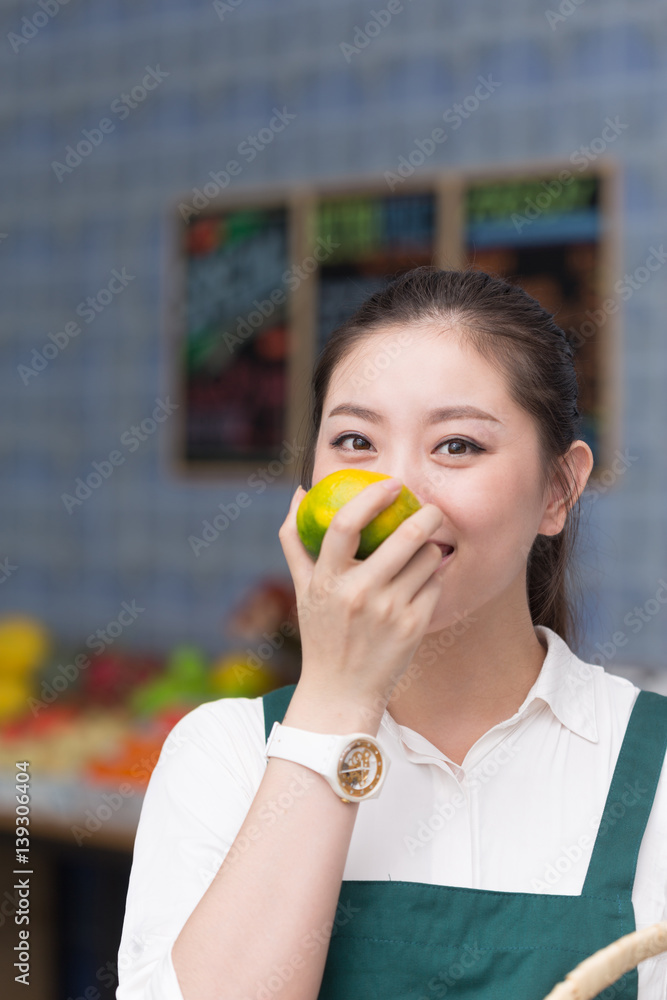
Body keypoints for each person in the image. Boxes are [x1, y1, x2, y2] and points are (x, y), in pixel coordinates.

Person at [116, 266, 667, 1000]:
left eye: (456, 446)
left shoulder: (654, 774)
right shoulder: (224, 757)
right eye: (353, 440)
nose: (393, 496)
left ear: (556, 490)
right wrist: (337, 704)